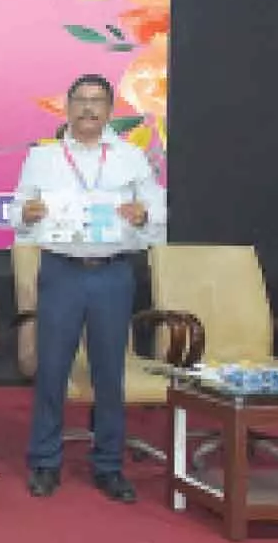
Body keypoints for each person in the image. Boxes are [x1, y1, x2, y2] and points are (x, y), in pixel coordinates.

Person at [13, 74, 165, 504]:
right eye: (80, 100)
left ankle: (109, 465)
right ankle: (45, 461)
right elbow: (16, 215)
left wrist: (142, 214)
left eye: (97, 101)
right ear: (68, 107)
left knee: (108, 374)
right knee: (52, 371)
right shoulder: (43, 158)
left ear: (110, 110)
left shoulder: (132, 158)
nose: (88, 109)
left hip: (113, 272)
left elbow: (158, 210)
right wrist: (28, 211)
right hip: (62, 270)